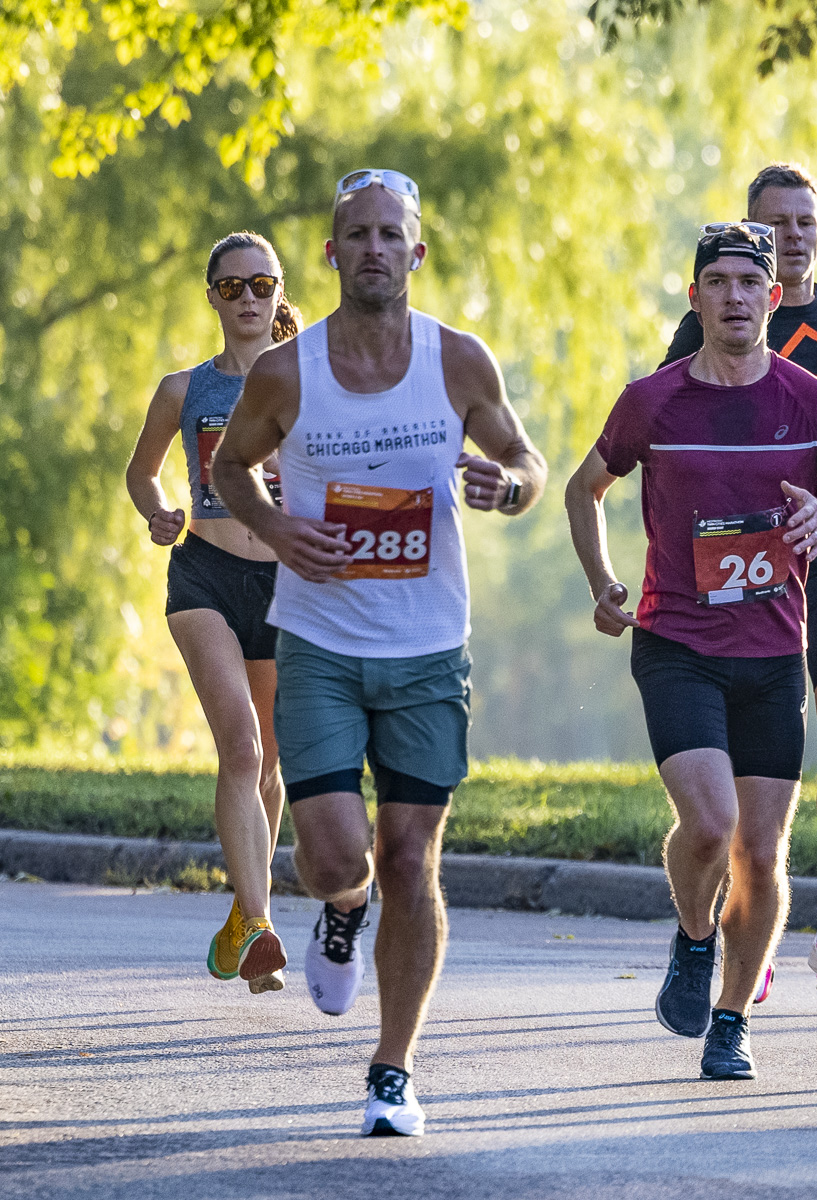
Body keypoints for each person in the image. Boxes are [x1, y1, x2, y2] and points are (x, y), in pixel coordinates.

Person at [212, 169, 546, 1134]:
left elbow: (524, 462)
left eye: (389, 234)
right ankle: (340, 911)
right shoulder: (288, 371)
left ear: (415, 252)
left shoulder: (458, 362)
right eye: (354, 234)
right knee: (331, 859)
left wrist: (509, 490)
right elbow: (230, 469)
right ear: (330, 254)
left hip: (429, 648)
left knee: (412, 859)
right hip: (317, 641)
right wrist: (277, 532)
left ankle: (392, 1071)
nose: (372, 248)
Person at [566, 222, 817, 1080]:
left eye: (746, 283)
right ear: (696, 298)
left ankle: (731, 1019)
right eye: (715, 283)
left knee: (761, 853)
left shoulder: (810, 401)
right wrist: (603, 584)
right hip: (676, 643)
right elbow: (585, 490)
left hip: (770, 657)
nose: (732, 297)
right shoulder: (654, 400)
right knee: (712, 826)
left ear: (771, 295)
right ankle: (693, 935)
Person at [662, 163, 817, 1000]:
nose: (793, 234)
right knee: (743, 761)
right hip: (741, 560)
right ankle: (745, 919)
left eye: (806, 221)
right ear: (752, 231)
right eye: (777, 221)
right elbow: (666, 423)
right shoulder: (711, 319)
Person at [125, 231, 302, 995]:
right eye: (232, 288)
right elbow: (142, 473)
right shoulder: (182, 389)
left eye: (261, 285)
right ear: (213, 298)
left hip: (286, 586)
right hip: (203, 576)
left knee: (270, 761)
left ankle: (241, 913)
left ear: (278, 293)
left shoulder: (310, 384)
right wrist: (160, 511)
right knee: (238, 745)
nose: (249, 300)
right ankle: (260, 925)